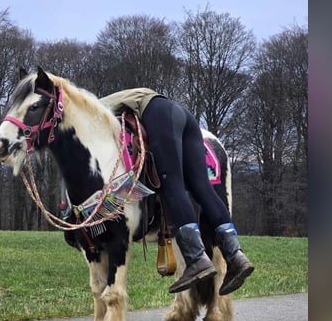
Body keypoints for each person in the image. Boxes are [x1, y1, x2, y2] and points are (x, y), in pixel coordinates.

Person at [99, 88, 254, 295]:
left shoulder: (92, 104)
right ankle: (236, 257)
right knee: (203, 189)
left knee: (172, 186)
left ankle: (197, 259)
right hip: (184, 115)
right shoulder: (131, 95)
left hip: (160, 117)